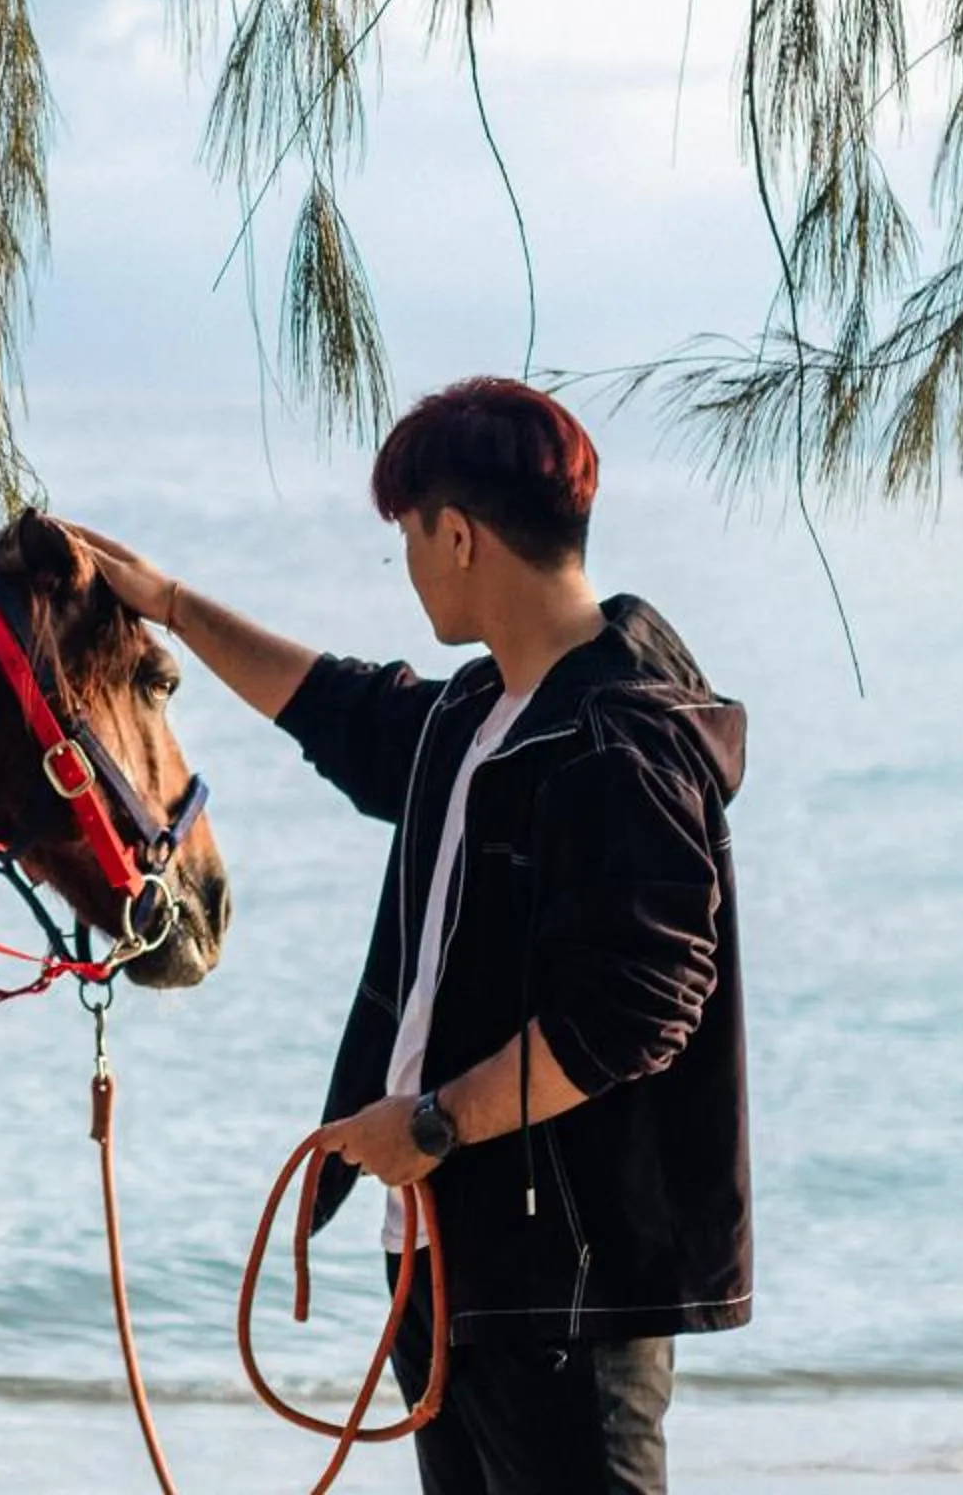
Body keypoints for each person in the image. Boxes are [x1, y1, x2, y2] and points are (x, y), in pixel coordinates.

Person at [68, 377, 748, 1495]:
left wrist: (434, 1123)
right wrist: (174, 607)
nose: (409, 565)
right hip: (446, 1266)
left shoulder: (624, 741)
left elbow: (639, 1008)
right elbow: (337, 707)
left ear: (462, 536)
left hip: (565, 1292)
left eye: (410, 536)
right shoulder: (476, 718)